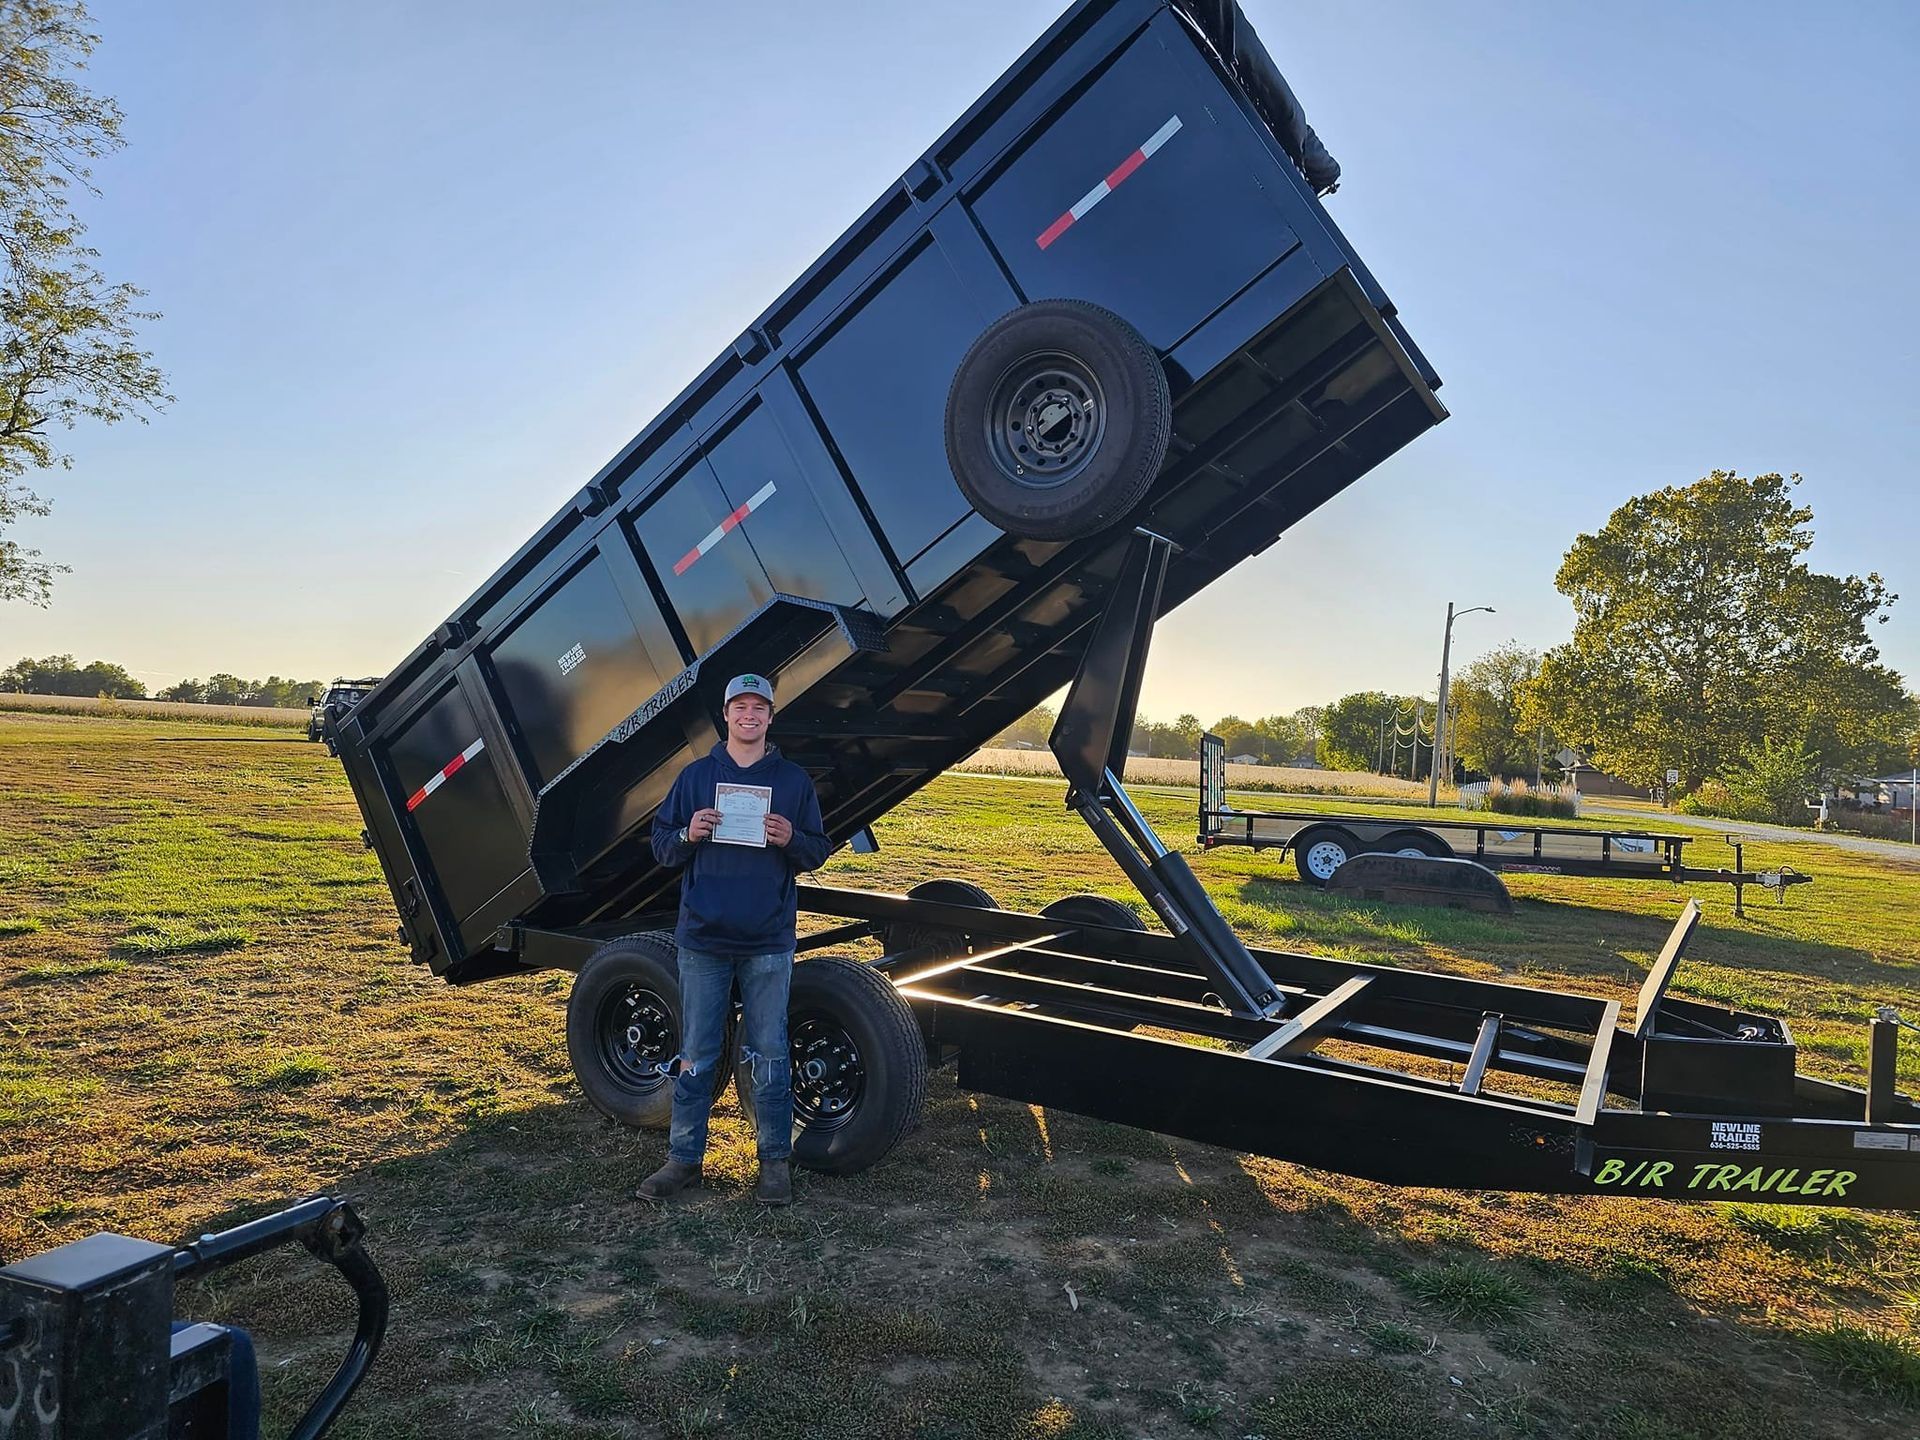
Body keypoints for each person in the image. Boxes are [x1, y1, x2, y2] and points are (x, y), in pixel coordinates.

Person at [638, 673, 830, 1206]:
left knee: (768, 1053)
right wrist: (687, 833)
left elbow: (817, 849)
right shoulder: (697, 777)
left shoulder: (792, 781)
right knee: (697, 1052)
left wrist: (792, 839)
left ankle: (773, 1163)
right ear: (726, 714)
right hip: (703, 938)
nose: (750, 716)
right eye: (740, 707)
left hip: (768, 941)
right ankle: (683, 1160)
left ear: (771, 716)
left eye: (759, 708)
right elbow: (661, 845)